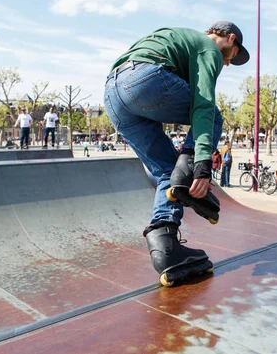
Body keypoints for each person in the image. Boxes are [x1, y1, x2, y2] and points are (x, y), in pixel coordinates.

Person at [104, 21, 249, 285]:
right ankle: (187, 172)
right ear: (229, 39)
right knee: (213, 116)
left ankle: (166, 247)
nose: (227, 63)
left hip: (113, 95)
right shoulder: (209, 48)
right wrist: (202, 164)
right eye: (233, 55)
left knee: (165, 171)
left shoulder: (178, 38)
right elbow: (203, 104)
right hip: (143, 80)